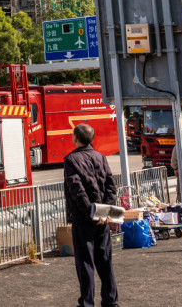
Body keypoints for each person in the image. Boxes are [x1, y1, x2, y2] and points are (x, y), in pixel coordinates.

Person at [63, 123, 118, 307]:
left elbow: (77, 190)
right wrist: (107, 210)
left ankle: (87, 302)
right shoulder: (101, 157)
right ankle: (110, 301)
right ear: (92, 139)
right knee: (105, 261)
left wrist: (90, 212)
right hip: (103, 218)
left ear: (75, 138)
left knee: (85, 263)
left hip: (83, 218)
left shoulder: (71, 160)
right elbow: (111, 186)